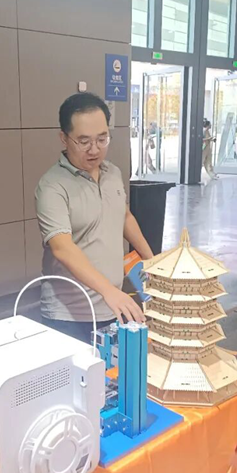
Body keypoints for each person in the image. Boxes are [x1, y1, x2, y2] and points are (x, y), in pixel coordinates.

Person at [35, 93, 155, 344]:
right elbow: (62, 247)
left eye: (102, 139)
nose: (95, 149)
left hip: (113, 305)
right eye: (84, 141)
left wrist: (153, 261)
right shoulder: (52, 186)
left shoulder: (113, 173)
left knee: (116, 368)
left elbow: (124, 216)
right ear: (64, 138)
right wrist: (109, 291)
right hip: (69, 315)